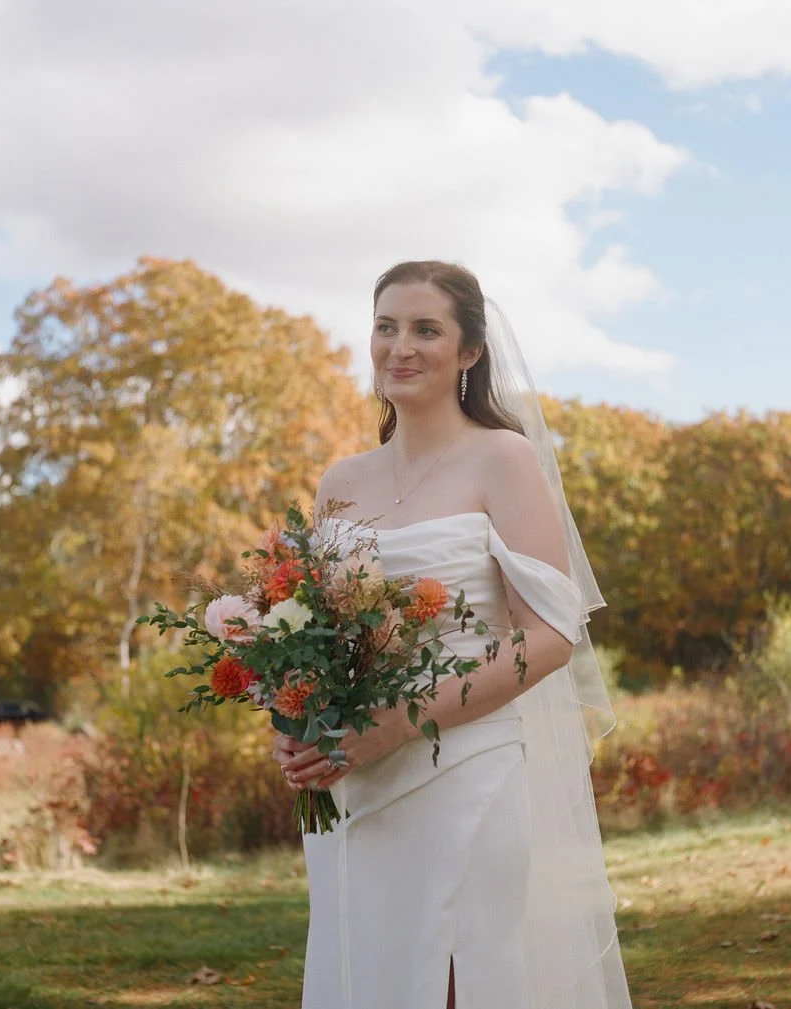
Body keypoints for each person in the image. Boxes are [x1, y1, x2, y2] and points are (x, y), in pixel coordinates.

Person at [272, 260, 632, 1009]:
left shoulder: (503, 458)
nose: (400, 346)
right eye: (386, 326)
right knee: (365, 974)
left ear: (468, 352)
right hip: (354, 782)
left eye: (425, 329)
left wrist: (397, 722)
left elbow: (549, 635)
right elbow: (316, 630)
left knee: (458, 979)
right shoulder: (341, 481)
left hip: (464, 766)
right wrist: (299, 718)